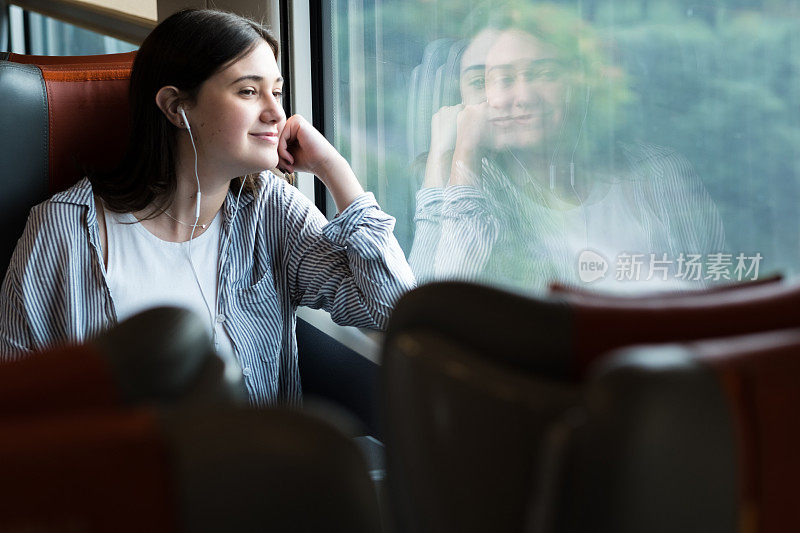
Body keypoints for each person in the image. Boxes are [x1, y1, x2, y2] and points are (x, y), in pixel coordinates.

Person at [0, 9, 416, 405]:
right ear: (176, 107)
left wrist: (333, 168)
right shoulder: (65, 231)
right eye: (249, 91)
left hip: (254, 471)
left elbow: (391, 307)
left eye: (278, 92)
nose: (276, 113)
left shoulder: (269, 210)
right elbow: (16, 396)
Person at [408, 2, 725, 292]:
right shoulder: (465, 192)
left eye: (542, 74)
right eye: (482, 82)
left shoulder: (661, 172)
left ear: (578, 82)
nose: (518, 97)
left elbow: (718, 292)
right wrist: (454, 156)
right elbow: (431, 311)